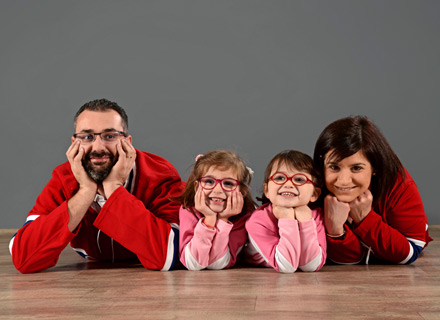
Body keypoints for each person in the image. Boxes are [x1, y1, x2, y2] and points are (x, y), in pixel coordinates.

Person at [10, 99, 184, 273]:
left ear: (128, 142)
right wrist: (85, 192)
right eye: (87, 137)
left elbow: (169, 255)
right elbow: (23, 258)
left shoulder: (159, 174)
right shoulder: (64, 177)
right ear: (73, 143)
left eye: (110, 136)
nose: (98, 147)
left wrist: (114, 188)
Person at [313, 115, 432, 265]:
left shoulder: (398, 183)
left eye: (356, 168)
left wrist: (365, 219)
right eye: (334, 167)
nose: (343, 180)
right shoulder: (313, 187)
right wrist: (335, 230)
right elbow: (352, 259)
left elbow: (410, 252)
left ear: (375, 166)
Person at [245, 150, 326, 273]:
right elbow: (286, 266)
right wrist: (287, 220)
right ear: (266, 190)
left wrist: (306, 222)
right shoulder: (257, 221)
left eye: (299, 179)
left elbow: (310, 266)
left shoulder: (315, 216)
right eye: (280, 178)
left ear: (314, 194)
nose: (288, 184)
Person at [176, 150, 255, 270]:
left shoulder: (244, 216)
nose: (218, 190)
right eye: (209, 181)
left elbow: (217, 264)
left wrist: (223, 220)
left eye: (228, 183)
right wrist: (209, 220)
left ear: (242, 191)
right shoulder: (188, 209)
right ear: (197, 186)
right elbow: (194, 263)